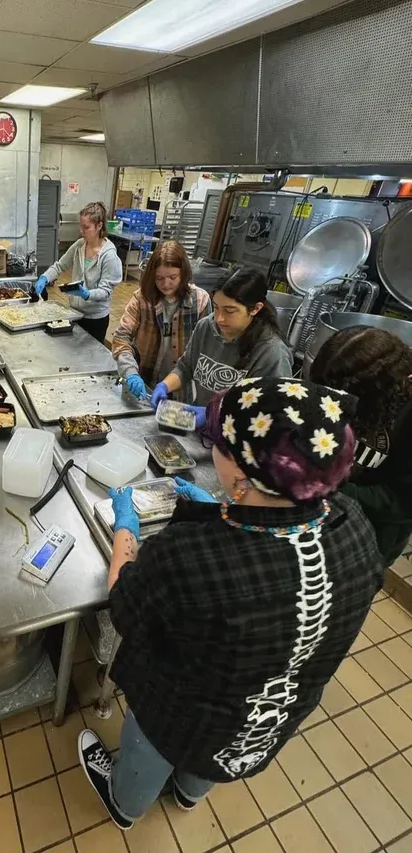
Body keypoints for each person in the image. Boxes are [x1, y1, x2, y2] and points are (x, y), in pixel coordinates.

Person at [78, 376, 383, 830]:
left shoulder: (190, 556)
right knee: (214, 756)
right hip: (264, 717)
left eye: (216, 443)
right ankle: (188, 793)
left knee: (153, 750)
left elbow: (124, 603)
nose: (211, 448)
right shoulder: (354, 524)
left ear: (243, 475)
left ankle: (125, 804)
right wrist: (224, 510)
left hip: (179, 711)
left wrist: (126, 526)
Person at [310, 325, 412, 567]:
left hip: (367, 539)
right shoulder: (332, 383)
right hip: (317, 517)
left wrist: (327, 487)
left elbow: (401, 502)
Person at [150, 267, 293, 425]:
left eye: (229, 311)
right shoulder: (206, 327)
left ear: (255, 308)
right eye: (216, 307)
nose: (219, 318)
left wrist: (215, 415)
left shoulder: (272, 354)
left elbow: (271, 414)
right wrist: (165, 385)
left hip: (235, 434)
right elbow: (186, 367)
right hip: (199, 427)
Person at [113, 241, 211, 399]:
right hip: (145, 383)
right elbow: (121, 338)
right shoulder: (142, 299)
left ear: (184, 273)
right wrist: (130, 372)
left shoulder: (200, 300)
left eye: (173, 277)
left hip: (181, 388)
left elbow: (206, 349)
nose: (166, 284)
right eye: (159, 278)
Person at [34, 201, 122, 343]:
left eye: (86, 227)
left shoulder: (109, 256)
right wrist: (44, 277)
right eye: (80, 226)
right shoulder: (79, 246)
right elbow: (60, 266)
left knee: (91, 354)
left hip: (95, 319)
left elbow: (105, 291)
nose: (81, 231)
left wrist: (86, 294)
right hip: (75, 313)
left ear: (99, 226)